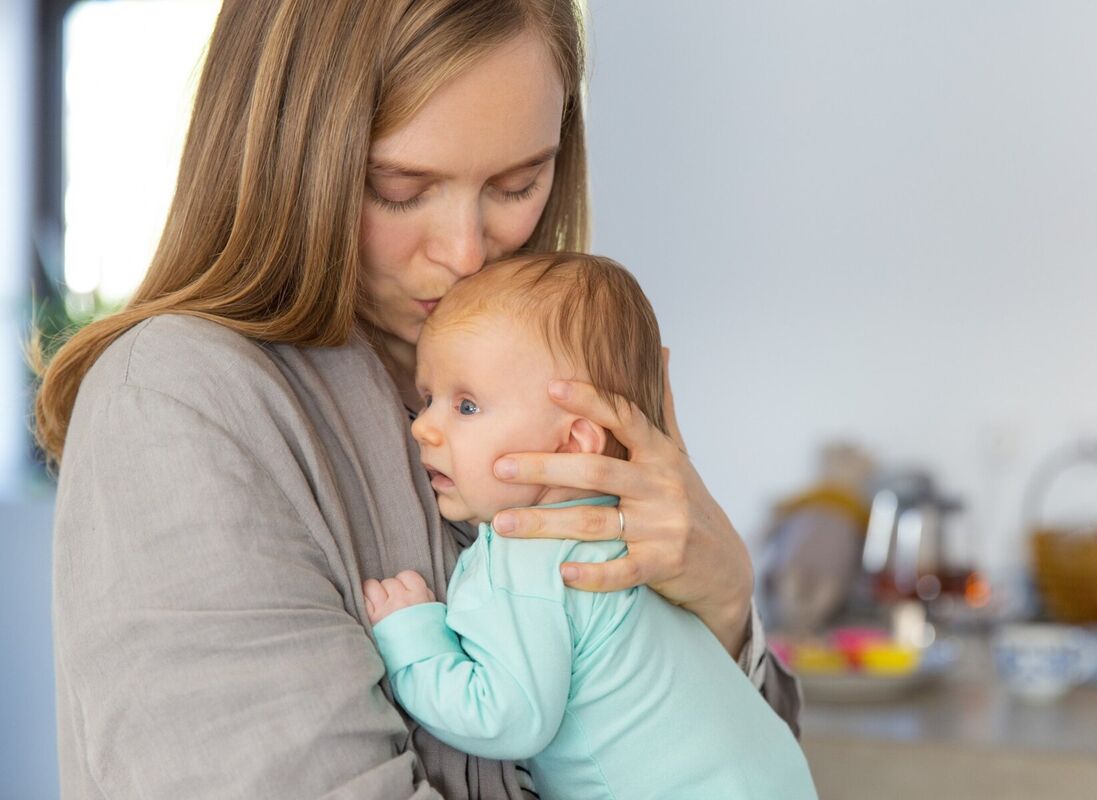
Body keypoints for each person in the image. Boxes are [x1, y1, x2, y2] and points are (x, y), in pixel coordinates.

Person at [35, 2, 802, 798]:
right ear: (282, 160)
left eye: (517, 184)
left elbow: (722, 761)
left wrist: (723, 605)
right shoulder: (177, 403)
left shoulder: (540, 375)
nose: (467, 252)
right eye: (400, 189)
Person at [363, 252, 819, 800]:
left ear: (574, 442)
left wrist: (413, 636)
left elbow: (505, 717)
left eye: (465, 406)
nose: (425, 428)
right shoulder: (633, 532)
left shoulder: (527, 558)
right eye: (428, 398)